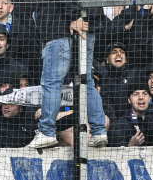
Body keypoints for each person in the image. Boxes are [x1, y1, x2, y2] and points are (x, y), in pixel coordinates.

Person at [27, 15, 109, 150]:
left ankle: (46, 131)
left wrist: (74, 16)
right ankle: (99, 131)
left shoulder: (69, 14)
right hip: (85, 28)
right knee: (87, 81)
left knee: (52, 82)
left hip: (62, 30)